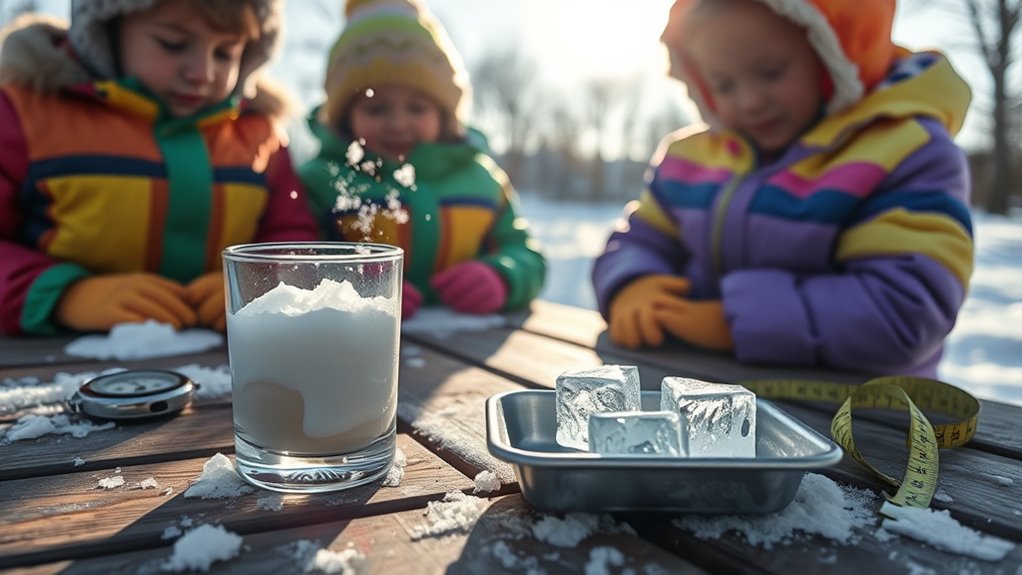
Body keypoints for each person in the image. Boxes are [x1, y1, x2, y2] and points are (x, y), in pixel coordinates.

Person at [592, 0, 973, 378]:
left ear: (832, 54)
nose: (750, 101)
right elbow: (639, 239)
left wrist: (734, 322)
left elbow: (905, 311)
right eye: (723, 84)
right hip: (704, 389)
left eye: (771, 72)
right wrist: (631, 282)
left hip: (863, 419)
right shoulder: (688, 158)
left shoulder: (905, 150)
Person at [0, 0, 318, 336]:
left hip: (223, 363)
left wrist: (259, 281)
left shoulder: (260, 136)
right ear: (107, 31)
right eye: (173, 44)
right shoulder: (25, 116)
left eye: (225, 53)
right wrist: (62, 296)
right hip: (48, 365)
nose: (202, 73)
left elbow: (291, 235)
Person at [298, 0, 545, 320]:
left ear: (444, 115)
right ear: (346, 117)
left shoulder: (482, 180)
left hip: (471, 348)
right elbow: (299, 259)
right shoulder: (322, 181)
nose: (399, 123)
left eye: (416, 108)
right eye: (377, 109)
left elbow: (525, 252)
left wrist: (502, 276)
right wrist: (352, 285)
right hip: (354, 348)